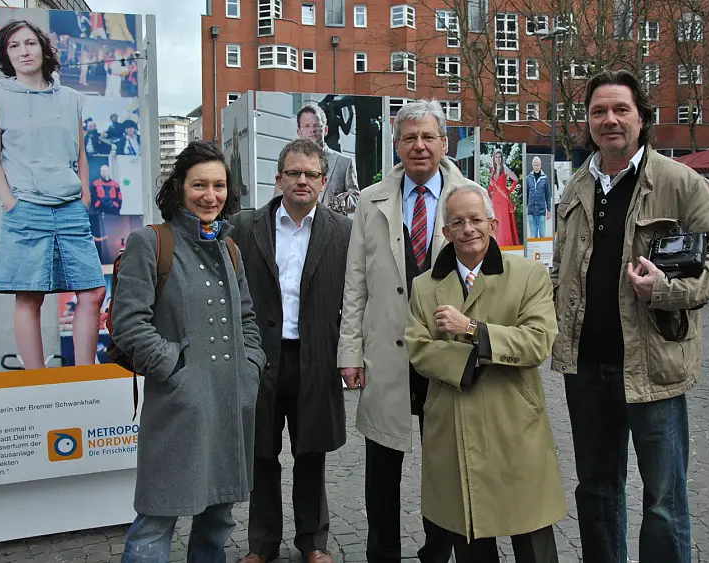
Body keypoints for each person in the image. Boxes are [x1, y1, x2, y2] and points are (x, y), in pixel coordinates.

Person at [551, 69, 709, 563]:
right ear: (588, 122)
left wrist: (669, 290)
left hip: (653, 368)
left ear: (642, 119)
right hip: (586, 368)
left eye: (621, 110)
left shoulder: (679, 181)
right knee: (596, 491)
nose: (610, 120)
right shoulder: (577, 185)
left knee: (663, 500)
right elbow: (561, 265)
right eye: (599, 111)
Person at [112, 141, 266, 563]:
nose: (210, 195)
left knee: (218, 520)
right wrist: (177, 369)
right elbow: (128, 324)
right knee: (155, 521)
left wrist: (249, 369)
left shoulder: (229, 247)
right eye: (200, 185)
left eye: (219, 186)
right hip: (177, 407)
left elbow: (248, 320)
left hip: (230, 404)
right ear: (179, 187)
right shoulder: (151, 242)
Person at [405, 183, 566, 563]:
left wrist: (472, 330)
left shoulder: (529, 275)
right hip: (454, 424)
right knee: (470, 534)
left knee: (531, 532)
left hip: (514, 423)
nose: (468, 229)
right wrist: (469, 361)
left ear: (493, 224)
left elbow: (538, 342)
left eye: (476, 219)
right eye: (457, 222)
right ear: (445, 232)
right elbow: (419, 349)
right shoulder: (425, 286)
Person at [338, 99, 459, 563]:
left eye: (428, 136)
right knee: (382, 466)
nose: (419, 146)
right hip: (386, 350)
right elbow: (356, 283)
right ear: (396, 145)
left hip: (445, 351)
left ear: (444, 142)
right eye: (409, 138)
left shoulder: (469, 196)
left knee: (444, 464)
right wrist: (349, 352)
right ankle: (382, 552)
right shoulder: (371, 200)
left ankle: (438, 552)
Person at [230, 139, 352, 563]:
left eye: (312, 174)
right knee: (261, 454)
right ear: (279, 178)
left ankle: (313, 542)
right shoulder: (246, 226)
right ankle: (261, 545)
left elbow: (354, 298)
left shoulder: (342, 231)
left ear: (323, 181)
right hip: (260, 359)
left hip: (315, 357)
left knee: (311, 453)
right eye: (294, 173)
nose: (303, 181)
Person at [0, 20, 106, 370]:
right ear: (6, 55)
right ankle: (37, 381)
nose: (24, 51)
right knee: (29, 296)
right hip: (25, 207)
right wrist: (10, 202)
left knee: (93, 292)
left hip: (69, 207)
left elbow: (79, 152)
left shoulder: (70, 98)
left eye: (30, 43)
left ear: (43, 49)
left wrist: (84, 197)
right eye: (14, 46)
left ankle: (85, 377)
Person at [295, 102, 359, 214]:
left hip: (333, 228)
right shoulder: (290, 164)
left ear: (325, 130)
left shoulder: (344, 163)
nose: (312, 130)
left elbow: (356, 200)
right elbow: (278, 202)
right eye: (307, 126)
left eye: (317, 125)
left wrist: (344, 202)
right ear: (299, 132)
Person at [486, 149, 520, 247]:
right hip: (495, 200)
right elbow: (491, 185)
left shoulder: (505, 168)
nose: (498, 159)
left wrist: (508, 191)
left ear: (502, 158)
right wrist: (487, 195)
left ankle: (506, 245)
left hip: (504, 199)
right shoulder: (492, 170)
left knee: (504, 223)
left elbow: (516, 179)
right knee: (496, 222)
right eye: (496, 157)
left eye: (499, 157)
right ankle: (498, 245)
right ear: (494, 158)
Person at [526, 156, 551, 238]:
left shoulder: (545, 178)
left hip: (541, 210)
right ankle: (534, 251)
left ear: (540, 165)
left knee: (542, 235)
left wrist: (549, 210)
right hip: (531, 210)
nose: (536, 167)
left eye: (538, 165)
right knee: (533, 236)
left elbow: (548, 195)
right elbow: (526, 194)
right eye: (535, 165)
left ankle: (542, 251)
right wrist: (526, 208)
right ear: (533, 165)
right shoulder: (528, 178)